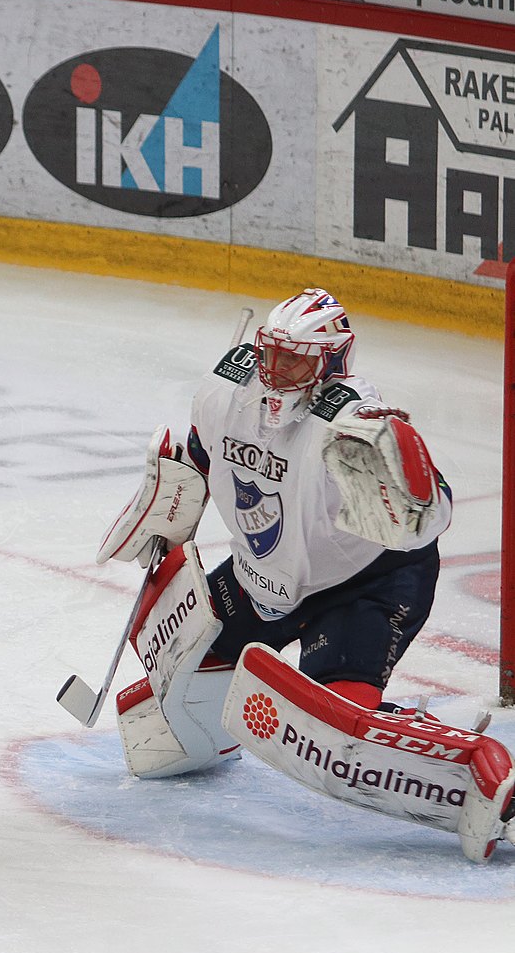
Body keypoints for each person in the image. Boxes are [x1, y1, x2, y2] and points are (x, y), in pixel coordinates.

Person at [91, 289, 515, 859]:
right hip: (262, 574)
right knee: (166, 709)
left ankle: (477, 776)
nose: (275, 372)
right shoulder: (226, 392)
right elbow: (198, 463)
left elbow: (424, 520)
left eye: (296, 361)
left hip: (364, 584)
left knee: (339, 726)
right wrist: (165, 507)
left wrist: (412, 482)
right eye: (271, 354)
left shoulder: (354, 425)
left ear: (333, 362)